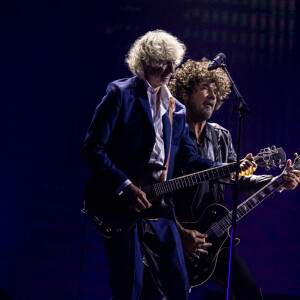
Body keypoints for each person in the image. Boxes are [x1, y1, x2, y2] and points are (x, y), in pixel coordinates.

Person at [81, 31, 256, 300]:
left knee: (177, 284)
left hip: (160, 206)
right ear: (147, 62)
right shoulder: (120, 93)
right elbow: (93, 148)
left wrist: (228, 167)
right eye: (165, 62)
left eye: (174, 62)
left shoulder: (176, 109)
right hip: (121, 201)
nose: (172, 69)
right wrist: (126, 186)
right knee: (129, 285)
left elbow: (190, 159)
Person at [167, 58, 299, 299]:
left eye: (216, 91)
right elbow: (160, 187)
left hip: (213, 234)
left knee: (250, 293)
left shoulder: (221, 135)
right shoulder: (171, 131)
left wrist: (277, 180)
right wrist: (179, 231)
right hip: (174, 231)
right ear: (184, 93)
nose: (213, 95)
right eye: (206, 88)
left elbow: (238, 179)